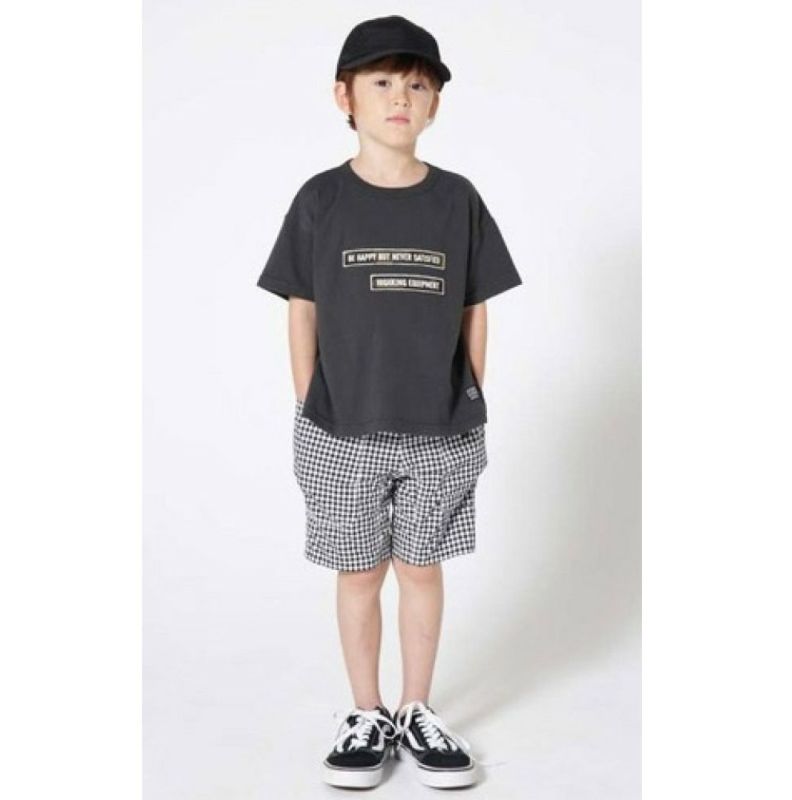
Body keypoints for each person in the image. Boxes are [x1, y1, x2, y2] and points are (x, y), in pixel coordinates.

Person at [256, 15, 522, 790]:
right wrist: (309, 397)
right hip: (340, 427)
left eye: (417, 85)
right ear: (345, 96)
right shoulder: (321, 199)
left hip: (440, 428)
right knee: (359, 573)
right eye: (382, 83)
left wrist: (465, 390)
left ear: (435, 103)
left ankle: (416, 708)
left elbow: (475, 306)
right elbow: (301, 305)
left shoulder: (457, 200)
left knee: (422, 568)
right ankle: (366, 711)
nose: (400, 97)